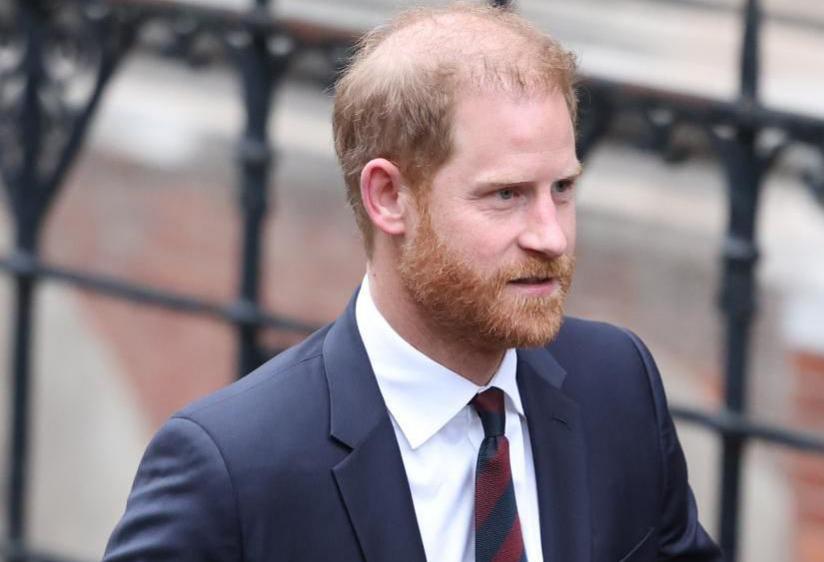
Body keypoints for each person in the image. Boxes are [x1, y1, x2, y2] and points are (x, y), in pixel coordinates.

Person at [104, 4, 723, 561]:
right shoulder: (232, 469)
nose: (551, 236)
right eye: (505, 195)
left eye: (561, 189)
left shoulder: (617, 384)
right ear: (388, 197)